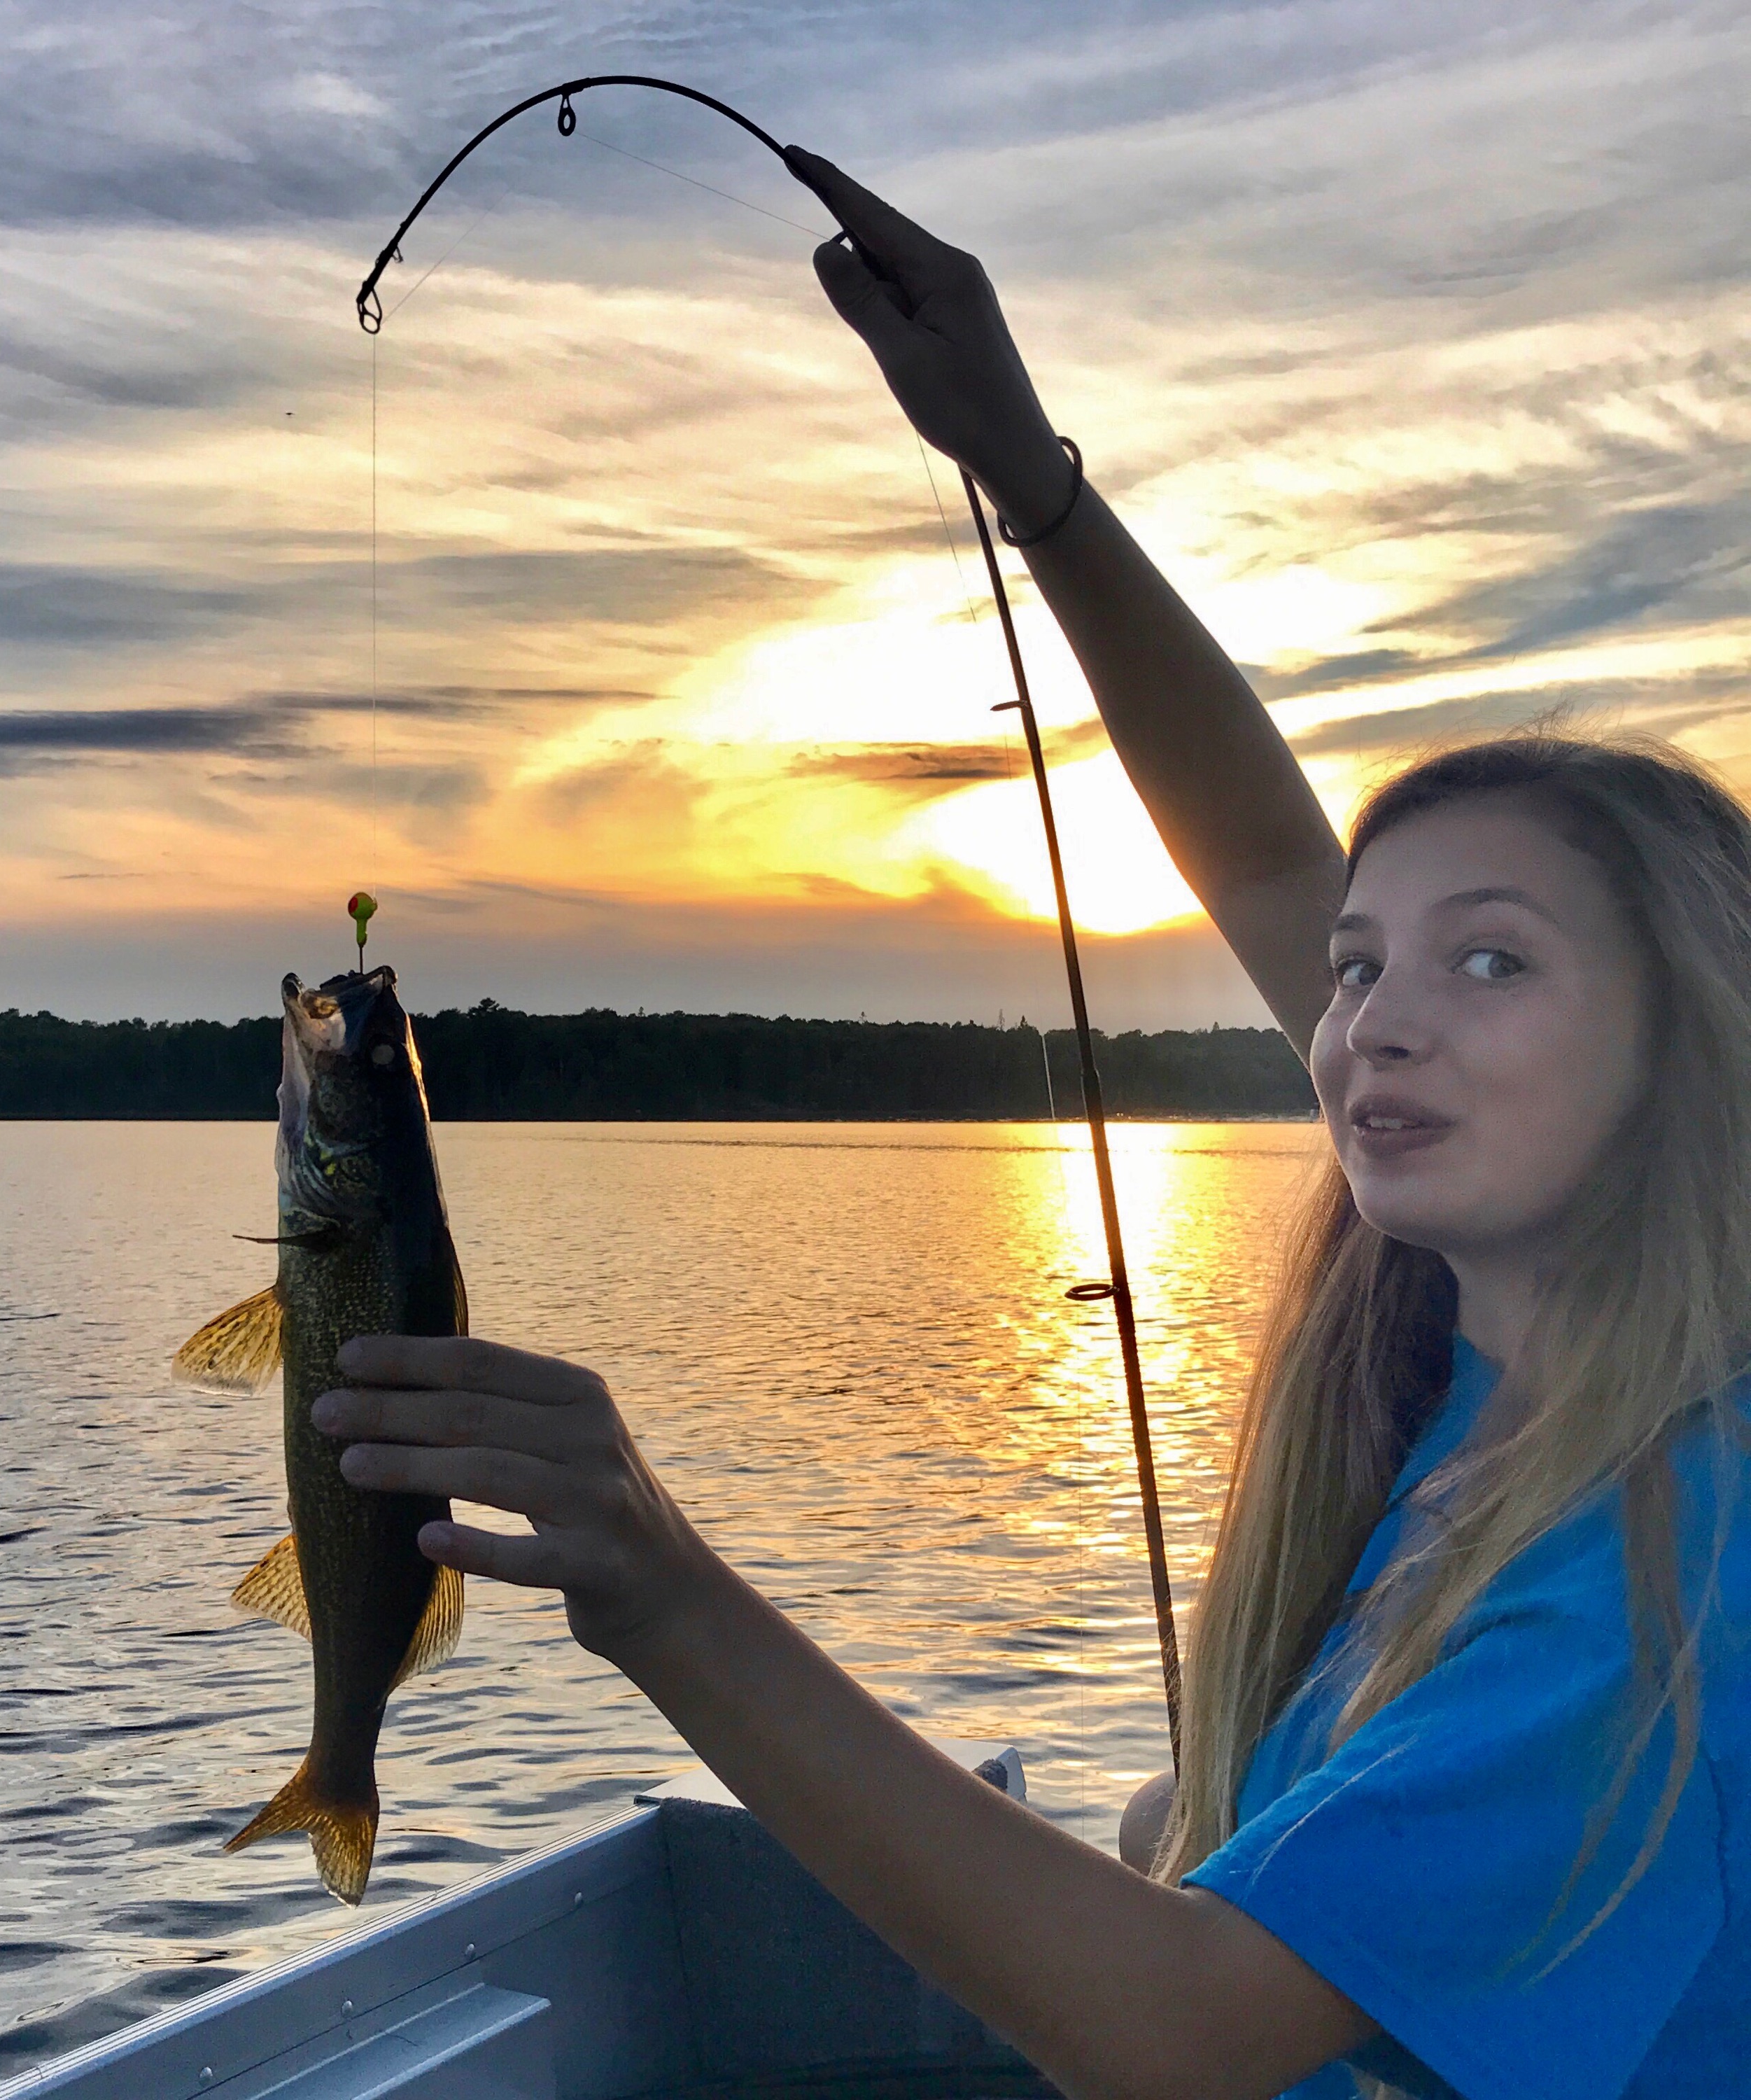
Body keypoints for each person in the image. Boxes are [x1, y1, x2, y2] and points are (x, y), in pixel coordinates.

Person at [307, 154, 1751, 2099]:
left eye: (1491, 965)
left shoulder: (1686, 1541)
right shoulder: (1486, 1371)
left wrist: (657, 1577)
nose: (1377, 1017)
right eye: (1356, 970)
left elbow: (1178, 2035)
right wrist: (1026, 476)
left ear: (1700, 1041)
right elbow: (1256, 848)